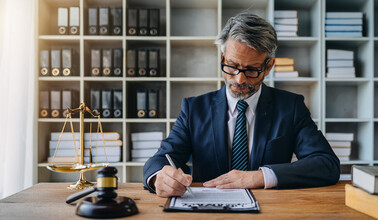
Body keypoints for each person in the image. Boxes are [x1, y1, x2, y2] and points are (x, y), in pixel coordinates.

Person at [143, 12, 340, 197]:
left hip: (270, 213)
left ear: (268, 67)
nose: (238, 80)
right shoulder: (194, 109)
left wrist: (258, 176)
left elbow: (326, 164)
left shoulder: (291, 107)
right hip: (208, 213)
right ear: (222, 58)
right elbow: (159, 160)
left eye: (252, 70)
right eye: (231, 66)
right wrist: (159, 178)